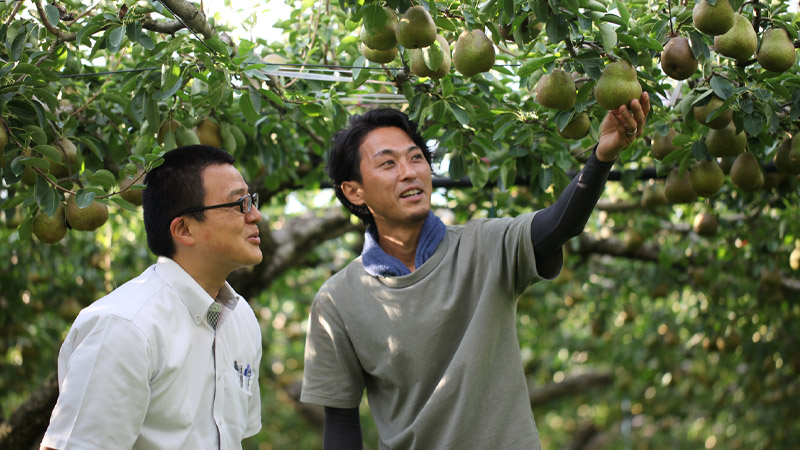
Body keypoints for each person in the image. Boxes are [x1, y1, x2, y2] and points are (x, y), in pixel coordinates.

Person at [300, 94, 650, 449]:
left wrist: (602, 157)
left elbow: (560, 225)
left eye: (416, 158)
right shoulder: (338, 300)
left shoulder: (485, 245)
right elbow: (341, 420)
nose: (409, 172)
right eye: (388, 164)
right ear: (354, 191)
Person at [40, 145, 264, 450]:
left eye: (251, 200)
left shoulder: (242, 319)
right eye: (239, 203)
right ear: (184, 229)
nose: (255, 214)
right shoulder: (124, 327)